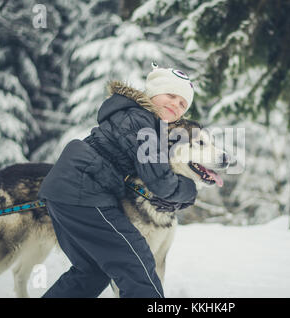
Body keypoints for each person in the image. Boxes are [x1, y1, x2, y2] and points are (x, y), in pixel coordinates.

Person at [38, 65, 197, 298]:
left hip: (67, 191)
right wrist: (189, 190)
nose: (176, 104)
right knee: (136, 263)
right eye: (171, 95)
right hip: (85, 192)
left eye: (183, 104)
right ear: (153, 92)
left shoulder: (136, 118)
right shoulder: (141, 121)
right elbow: (160, 181)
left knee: (91, 272)